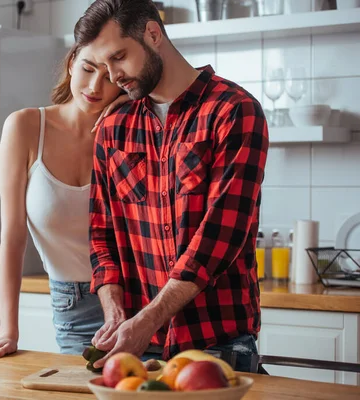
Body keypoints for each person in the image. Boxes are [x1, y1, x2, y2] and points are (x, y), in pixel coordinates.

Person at [80, 0, 269, 372]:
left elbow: (220, 237)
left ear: (153, 33)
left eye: (119, 57)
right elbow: (101, 234)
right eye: (104, 65)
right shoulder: (114, 126)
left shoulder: (233, 111)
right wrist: (115, 312)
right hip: (137, 345)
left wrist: (148, 319)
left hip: (217, 340)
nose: (112, 76)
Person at [0, 37, 128, 360]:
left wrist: (134, 109)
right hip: (73, 304)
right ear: (71, 63)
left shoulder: (129, 131)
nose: (94, 86)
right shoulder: (26, 126)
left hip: (139, 300)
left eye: (109, 77)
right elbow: (13, 236)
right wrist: (9, 331)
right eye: (88, 69)